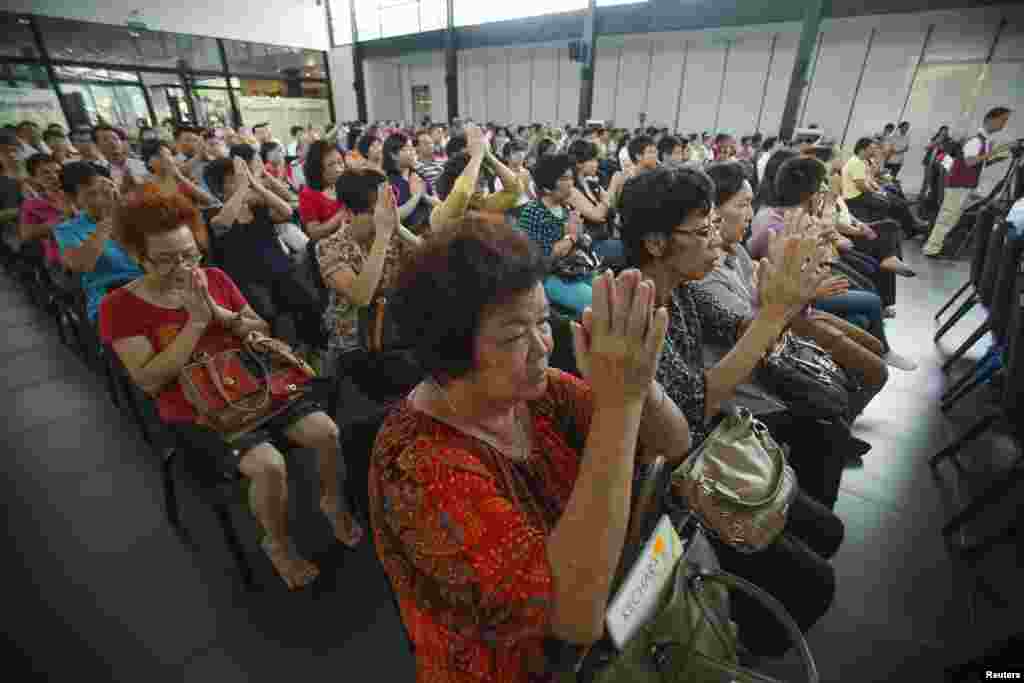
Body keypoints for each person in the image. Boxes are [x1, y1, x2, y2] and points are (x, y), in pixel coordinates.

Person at [370, 218, 690, 681]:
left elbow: (673, 444)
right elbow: (573, 618)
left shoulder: (538, 395)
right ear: (452, 353)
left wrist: (639, 383)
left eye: (542, 321)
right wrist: (620, 404)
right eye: (515, 335)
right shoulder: (418, 465)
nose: (544, 344)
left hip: (611, 625)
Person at [617, 164, 844, 655]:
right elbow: (697, 404)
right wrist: (774, 314)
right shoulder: (636, 306)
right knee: (815, 583)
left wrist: (781, 296)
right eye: (703, 230)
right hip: (679, 486)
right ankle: (736, 648)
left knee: (826, 530)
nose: (715, 239)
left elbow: (746, 329)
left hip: (708, 449)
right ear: (656, 243)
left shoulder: (686, 286)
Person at [100, 187, 363, 591]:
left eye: (190, 254)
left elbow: (259, 328)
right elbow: (150, 380)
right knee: (269, 465)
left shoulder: (215, 278)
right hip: (196, 406)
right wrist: (195, 322)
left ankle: (332, 500)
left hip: (252, 381)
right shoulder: (119, 307)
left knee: (327, 431)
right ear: (138, 257)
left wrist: (217, 312)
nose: (184, 266)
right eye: (167, 259)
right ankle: (277, 543)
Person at [702, 161, 888, 422]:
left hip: (789, 319)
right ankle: (837, 423)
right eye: (742, 205)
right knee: (874, 356)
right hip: (782, 329)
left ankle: (838, 420)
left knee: (870, 334)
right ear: (711, 212)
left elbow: (769, 293)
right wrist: (802, 291)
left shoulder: (737, 250)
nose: (750, 214)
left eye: (750, 204)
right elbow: (759, 321)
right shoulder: (711, 268)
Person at [753, 153, 917, 372]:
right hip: (797, 299)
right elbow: (798, 277)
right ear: (812, 195)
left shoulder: (787, 215)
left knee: (860, 315)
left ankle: (860, 363)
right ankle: (883, 352)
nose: (824, 191)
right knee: (871, 301)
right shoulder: (784, 226)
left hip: (804, 290)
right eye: (821, 187)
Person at [204, 156, 322, 348]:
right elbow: (222, 224)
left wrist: (256, 185)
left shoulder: (257, 206)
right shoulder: (214, 215)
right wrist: (243, 187)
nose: (241, 182)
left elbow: (287, 212)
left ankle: (314, 349)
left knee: (308, 301)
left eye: (239, 177)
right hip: (249, 282)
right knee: (268, 314)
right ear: (219, 189)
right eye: (232, 180)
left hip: (281, 271)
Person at [316, 170, 421, 376]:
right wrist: (383, 235)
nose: (383, 216)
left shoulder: (391, 234)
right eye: (375, 211)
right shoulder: (329, 247)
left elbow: (433, 259)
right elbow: (361, 296)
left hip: (394, 333)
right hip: (355, 344)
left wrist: (399, 228)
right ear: (348, 212)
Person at [54, 162, 144, 322]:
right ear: (73, 199)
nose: (101, 199)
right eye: (91, 194)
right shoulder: (68, 229)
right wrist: (108, 218)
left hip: (150, 285)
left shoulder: (133, 214)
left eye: (104, 190)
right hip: (110, 297)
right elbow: (81, 265)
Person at [923, 106, 1013, 257]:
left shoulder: (984, 141)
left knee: (951, 218)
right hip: (959, 184)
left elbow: (979, 163)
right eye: (1003, 120)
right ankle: (931, 248)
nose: (1004, 124)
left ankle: (935, 247)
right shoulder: (976, 140)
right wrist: (995, 152)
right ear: (992, 120)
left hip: (965, 184)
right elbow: (970, 162)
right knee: (947, 217)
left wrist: (996, 157)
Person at [517, 154, 594, 316]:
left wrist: (580, 235)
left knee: (612, 292)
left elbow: (579, 242)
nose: (571, 183)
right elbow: (542, 258)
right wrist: (572, 236)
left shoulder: (565, 208)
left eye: (571, 177)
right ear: (547, 187)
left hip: (575, 269)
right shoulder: (532, 213)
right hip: (549, 278)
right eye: (564, 179)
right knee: (598, 304)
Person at [431, 124, 523, 230]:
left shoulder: (482, 205)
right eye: (476, 182)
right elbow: (462, 193)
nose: (482, 188)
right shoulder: (441, 212)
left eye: (482, 182)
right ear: (455, 182)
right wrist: (477, 156)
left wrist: (488, 155)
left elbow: (515, 190)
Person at [16, 154, 71, 286]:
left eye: (57, 171)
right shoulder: (32, 204)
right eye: (45, 173)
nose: (53, 176)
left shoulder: (77, 193)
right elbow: (26, 234)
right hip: (59, 260)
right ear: (34, 179)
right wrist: (61, 220)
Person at [382, 132, 435, 231]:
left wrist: (424, 196)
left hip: (428, 231)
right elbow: (393, 217)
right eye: (407, 149)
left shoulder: (417, 176)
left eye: (412, 148)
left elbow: (438, 203)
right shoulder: (387, 182)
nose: (413, 151)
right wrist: (416, 196)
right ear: (393, 155)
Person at [140, 140, 217, 208]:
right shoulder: (146, 185)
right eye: (160, 156)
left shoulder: (182, 178)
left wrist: (180, 177)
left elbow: (210, 201)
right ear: (149, 162)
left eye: (169, 154)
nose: (168, 159)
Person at [298, 140, 348, 240]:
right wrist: (343, 213)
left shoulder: (346, 182)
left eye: (340, 162)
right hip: (329, 245)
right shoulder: (308, 194)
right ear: (318, 169)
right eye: (331, 165)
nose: (339, 169)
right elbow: (315, 233)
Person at [92, 124, 148, 192]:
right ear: (96, 146)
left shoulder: (139, 164)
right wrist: (124, 188)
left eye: (115, 138)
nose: (112, 142)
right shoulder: (96, 171)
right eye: (105, 139)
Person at [414, 129, 445, 193]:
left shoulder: (443, 162)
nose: (430, 145)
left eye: (431, 142)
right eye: (426, 143)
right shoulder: (415, 167)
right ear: (417, 147)